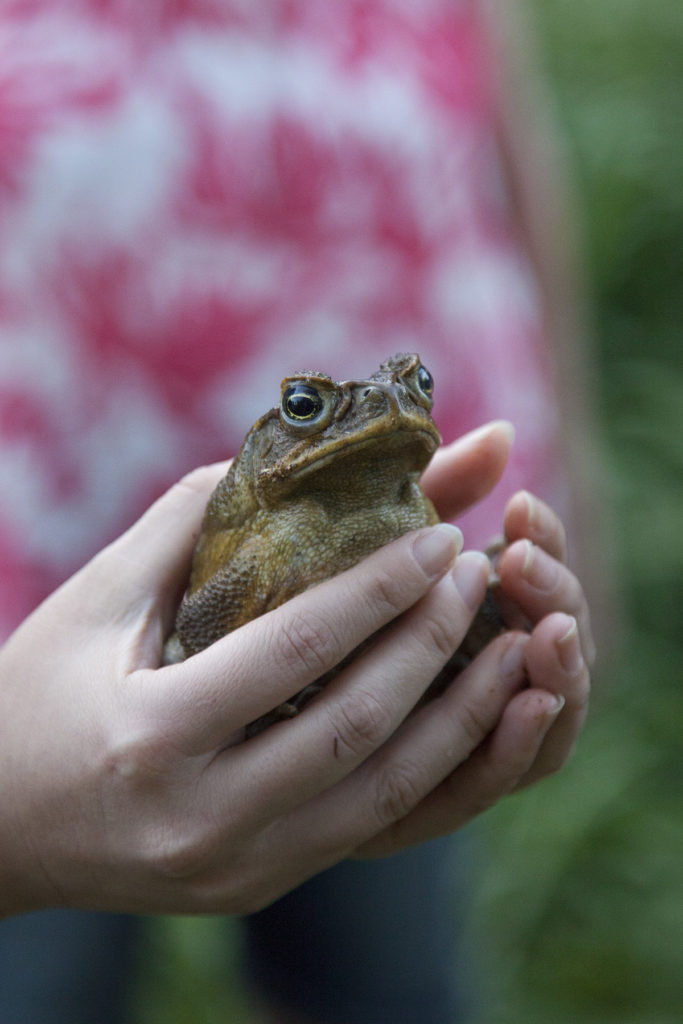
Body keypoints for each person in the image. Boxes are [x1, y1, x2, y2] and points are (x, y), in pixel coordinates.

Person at [0, 0, 597, 1021]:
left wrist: (560, 507)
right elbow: (200, 624)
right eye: (318, 408)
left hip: (386, 625)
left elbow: (510, 138)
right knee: (40, 983)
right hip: (29, 574)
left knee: (389, 980)